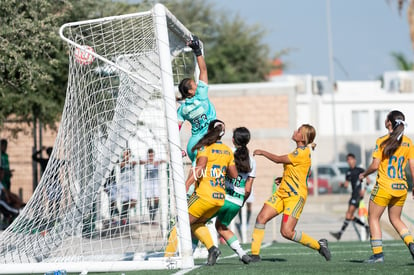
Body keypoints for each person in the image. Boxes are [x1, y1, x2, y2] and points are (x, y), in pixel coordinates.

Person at [249, 124, 331, 262]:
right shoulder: (300, 152)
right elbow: (303, 171)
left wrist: (262, 152)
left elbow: (278, 159)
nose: (295, 131)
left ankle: (319, 245)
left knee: (286, 232)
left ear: (302, 137)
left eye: (298, 131)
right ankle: (255, 254)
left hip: (295, 197)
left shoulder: (301, 152)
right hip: (282, 193)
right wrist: (285, 178)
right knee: (261, 218)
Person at [165, 119, 237, 266]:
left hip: (203, 196)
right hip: (219, 199)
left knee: (180, 223)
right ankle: (212, 249)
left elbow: (200, 168)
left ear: (209, 131)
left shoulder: (205, 148)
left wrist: (185, 185)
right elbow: (234, 175)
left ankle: (167, 258)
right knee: (197, 223)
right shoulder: (228, 150)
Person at [358, 110, 414, 263]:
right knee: (396, 219)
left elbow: (375, 165)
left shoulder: (382, 141)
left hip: (384, 186)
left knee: (373, 218)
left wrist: (364, 174)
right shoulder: (408, 142)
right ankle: (412, 244)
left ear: (389, 123)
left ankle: (378, 256)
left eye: (386, 118)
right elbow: (412, 166)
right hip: (401, 187)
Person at [213, 127, 255, 264]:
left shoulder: (228, 152)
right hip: (236, 201)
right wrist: (241, 203)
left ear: (233, 139)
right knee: (221, 227)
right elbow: (248, 189)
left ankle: (203, 249)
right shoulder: (252, 161)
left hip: (220, 198)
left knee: (197, 220)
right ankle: (242, 254)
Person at [176, 35, 216, 164]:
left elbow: (175, 129)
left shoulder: (182, 109)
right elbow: (203, 70)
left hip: (192, 146)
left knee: (196, 174)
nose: (198, 85)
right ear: (190, 91)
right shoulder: (201, 96)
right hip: (205, 143)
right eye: (195, 85)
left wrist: (176, 149)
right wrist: (197, 51)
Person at [330, 153, 370, 241]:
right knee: (349, 216)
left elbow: (368, 180)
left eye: (351, 159)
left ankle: (340, 234)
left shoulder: (360, 170)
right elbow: (346, 184)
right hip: (353, 195)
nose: (349, 161)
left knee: (348, 214)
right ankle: (366, 227)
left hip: (358, 195)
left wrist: (364, 189)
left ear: (354, 160)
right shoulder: (348, 172)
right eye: (348, 160)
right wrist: (342, 185)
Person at [139, 148, 165, 222]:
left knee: (157, 198)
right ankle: (151, 214)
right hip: (148, 182)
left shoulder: (156, 159)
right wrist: (148, 162)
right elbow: (140, 162)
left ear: (153, 154)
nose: (151, 156)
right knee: (149, 199)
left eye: (152, 155)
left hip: (156, 182)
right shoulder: (146, 159)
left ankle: (154, 212)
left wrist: (157, 162)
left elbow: (163, 160)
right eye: (149, 155)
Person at [118, 149, 137, 226]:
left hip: (131, 185)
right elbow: (121, 165)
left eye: (128, 154)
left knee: (133, 202)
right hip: (123, 185)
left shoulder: (132, 161)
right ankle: (123, 219)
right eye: (125, 154)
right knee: (125, 202)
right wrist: (126, 161)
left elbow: (136, 162)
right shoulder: (121, 161)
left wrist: (131, 162)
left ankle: (124, 217)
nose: (126, 156)